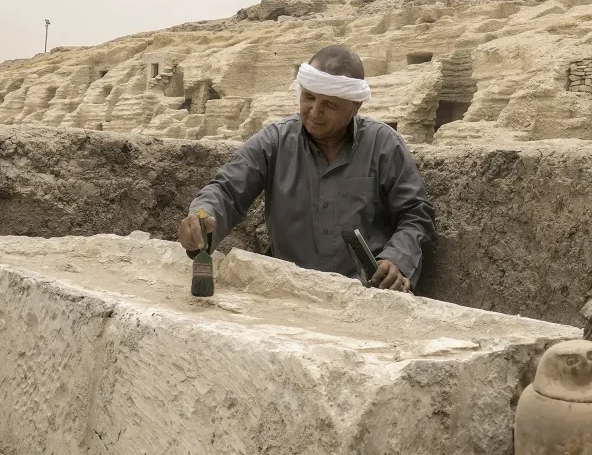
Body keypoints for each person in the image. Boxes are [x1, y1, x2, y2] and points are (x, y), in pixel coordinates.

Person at [178, 44, 435, 292]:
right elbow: (226, 190)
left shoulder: (384, 145)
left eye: (330, 105)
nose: (315, 111)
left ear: (355, 106)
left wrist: (397, 260)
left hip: (364, 292)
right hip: (289, 290)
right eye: (309, 97)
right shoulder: (275, 141)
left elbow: (415, 214)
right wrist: (203, 216)